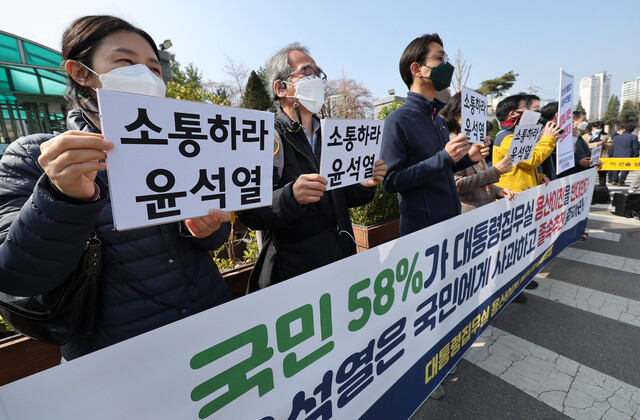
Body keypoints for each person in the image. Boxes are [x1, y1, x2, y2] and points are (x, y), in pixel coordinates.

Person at [0, 16, 232, 361]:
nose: (147, 77)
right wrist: (61, 197)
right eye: (125, 62)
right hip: (116, 356)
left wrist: (208, 229)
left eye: (154, 68)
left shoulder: (186, 145)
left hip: (210, 326)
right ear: (81, 73)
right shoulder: (35, 155)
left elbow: (214, 235)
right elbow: (16, 276)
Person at [238, 43, 386, 291]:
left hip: (341, 260)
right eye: (307, 72)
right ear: (281, 87)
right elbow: (248, 210)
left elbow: (340, 195)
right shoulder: (265, 137)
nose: (317, 80)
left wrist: (364, 183)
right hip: (294, 275)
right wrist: (290, 196)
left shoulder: (332, 135)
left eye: (319, 74)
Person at [380, 34, 490, 237]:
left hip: (451, 224)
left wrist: (468, 158)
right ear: (416, 69)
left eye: (445, 59)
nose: (446, 66)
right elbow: (392, 180)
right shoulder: (397, 120)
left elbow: (441, 168)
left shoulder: (437, 119)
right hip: (423, 232)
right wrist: (445, 157)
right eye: (439, 59)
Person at [440, 91, 519, 212]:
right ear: (456, 116)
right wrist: (495, 172)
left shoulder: (475, 140)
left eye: (481, 112)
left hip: (486, 210)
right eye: (472, 112)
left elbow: (482, 179)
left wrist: (497, 191)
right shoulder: (450, 143)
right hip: (468, 215)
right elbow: (455, 185)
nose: (479, 118)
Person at [492, 94, 562, 191]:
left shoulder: (516, 135)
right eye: (525, 108)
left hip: (522, 193)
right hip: (513, 195)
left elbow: (521, 169)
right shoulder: (506, 138)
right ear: (512, 113)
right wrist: (548, 139)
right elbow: (531, 160)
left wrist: (539, 177)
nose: (530, 112)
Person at [583, 121, 613, 186]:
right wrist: (596, 144)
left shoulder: (606, 135)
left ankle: (602, 188)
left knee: (602, 175)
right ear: (592, 127)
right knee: (590, 174)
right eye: (596, 128)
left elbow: (611, 144)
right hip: (590, 157)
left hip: (602, 157)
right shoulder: (586, 136)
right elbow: (584, 145)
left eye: (600, 128)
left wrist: (605, 145)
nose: (598, 129)